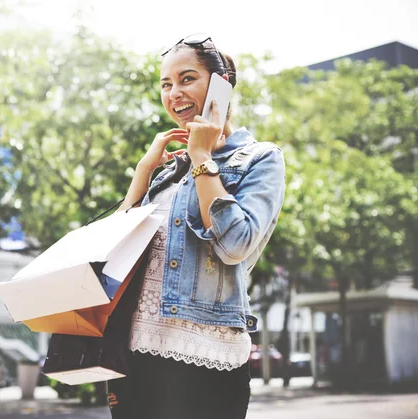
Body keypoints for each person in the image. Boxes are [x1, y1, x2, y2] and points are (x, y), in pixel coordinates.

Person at [107, 34, 286, 419]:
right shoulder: (169, 172)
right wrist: (143, 174)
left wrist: (203, 156)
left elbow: (235, 245)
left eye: (187, 79)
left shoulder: (259, 159)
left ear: (221, 86)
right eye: (165, 84)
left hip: (207, 357)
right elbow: (114, 253)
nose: (174, 93)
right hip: (136, 354)